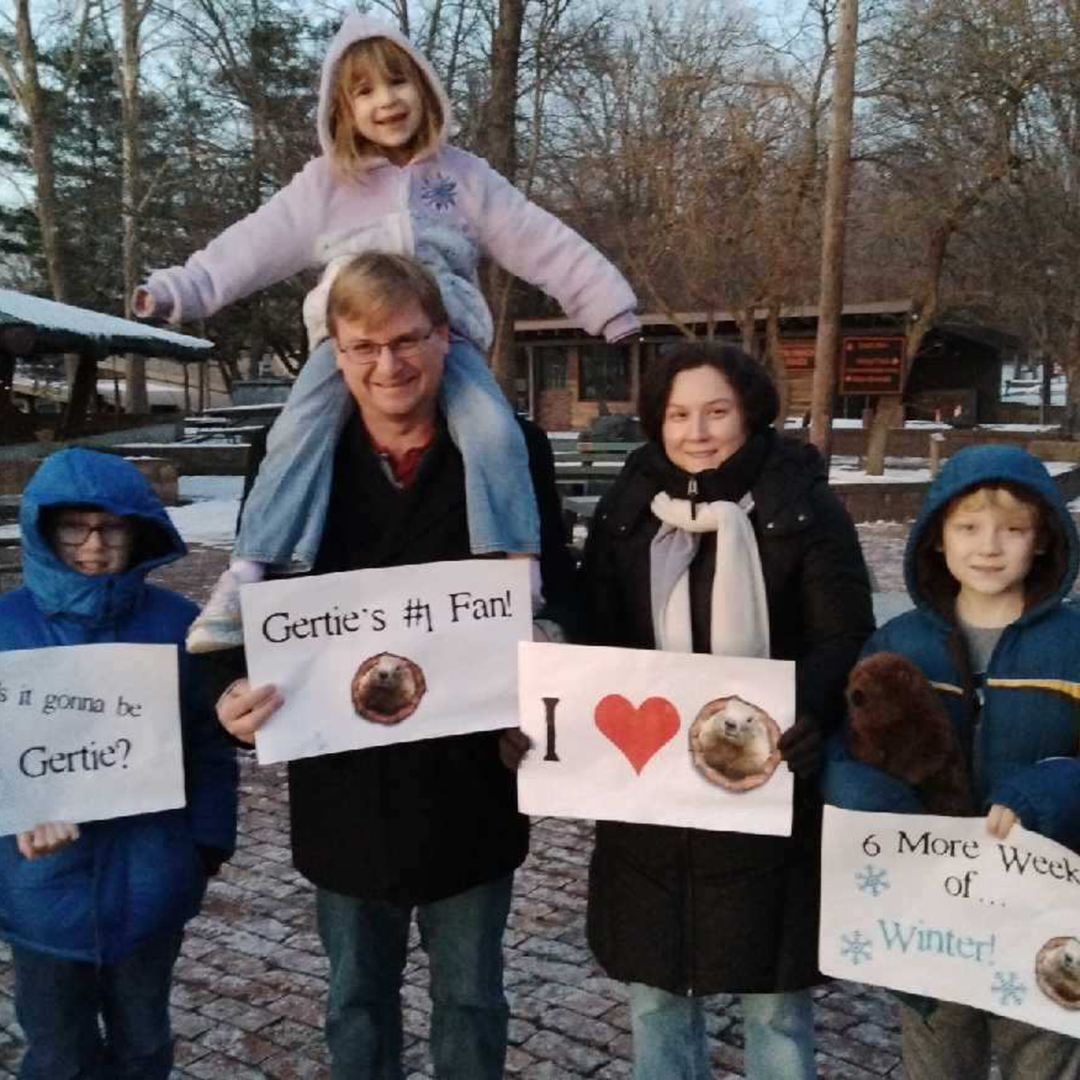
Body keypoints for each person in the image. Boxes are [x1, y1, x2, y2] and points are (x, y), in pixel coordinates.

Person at [134, 12, 639, 653]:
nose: (386, 101)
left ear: (424, 88)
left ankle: (519, 583)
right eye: (365, 91)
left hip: (440, 337)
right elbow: (249, 247)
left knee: (493, 431)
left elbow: (541, 240)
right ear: (342, 108)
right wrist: (182, 289)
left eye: (397, 82)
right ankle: (247, 576)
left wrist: (606, 303)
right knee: (293, 434)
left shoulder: (462, 178)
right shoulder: (325, 185)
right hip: (346, 342)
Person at [215, 253, 575, 1079]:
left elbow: (558, 584)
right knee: (354, 1001)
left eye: (409, 339)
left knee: (473, 1001)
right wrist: (224, 695)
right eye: (364, 346)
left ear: (446, 338)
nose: (390, 365)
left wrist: (548, 682)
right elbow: (250, 598)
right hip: (344, 789)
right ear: (334, 353)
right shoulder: (291, 457)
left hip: (471, 785)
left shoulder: (508, 450)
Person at [579, 343, 874, 1079]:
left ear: (748, 413)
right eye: (679, 414)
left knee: (774, 1006)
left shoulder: (798, 502)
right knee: (656, 998)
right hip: (649, 798)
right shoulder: (629, 505)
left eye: (716, 411)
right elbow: (593, 627)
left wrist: (806, 717)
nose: (697, 431)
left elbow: (842, 634)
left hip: (767, 789)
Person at [822, 444, 1080, 1079]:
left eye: (1012, 529)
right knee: (938, 1059)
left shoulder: (1073, 644)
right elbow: (851, 746)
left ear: (1043, 540)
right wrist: (874, 805)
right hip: (933, 914)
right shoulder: (899, 642)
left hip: (1045, 907)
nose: (988, 546)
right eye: (968, 527)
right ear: (937, 538)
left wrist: (1047, 793)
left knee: (1043, 1060)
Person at [0, 448, 238, 1080]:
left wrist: (205, 843)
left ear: (139, 529)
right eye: (74, 525)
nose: (94, 544)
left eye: (113, 525)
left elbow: (209, 741)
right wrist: (17, 812)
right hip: (40, 896)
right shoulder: (4, 629)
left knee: (142, 1043)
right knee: (57, 1053)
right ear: (43, 529)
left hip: (150, 882)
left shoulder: (177, 625)